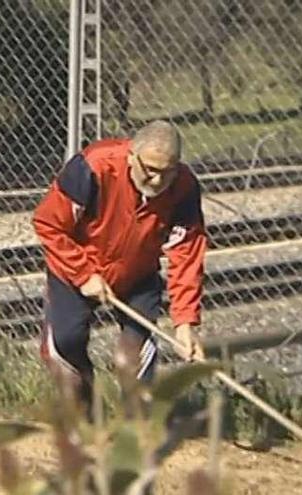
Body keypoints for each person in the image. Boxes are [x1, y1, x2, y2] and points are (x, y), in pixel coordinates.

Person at [33, 120, 207, 412]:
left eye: (167, 172)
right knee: (65, 347)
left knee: (130, 361)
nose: (156, 181)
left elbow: (186, 252)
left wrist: (185, 322)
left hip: (137, 273)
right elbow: (48, 224)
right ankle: (87, 421)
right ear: (131, 156)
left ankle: (136, 433)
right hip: (76, 269)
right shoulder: (94, 167)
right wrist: (84, 273)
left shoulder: (184, 188)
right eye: (149, 170)